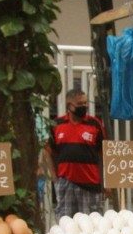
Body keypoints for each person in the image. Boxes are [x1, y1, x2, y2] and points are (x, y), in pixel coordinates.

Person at [45, 88, 106, 217]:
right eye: (79, 104)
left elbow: (103, 154)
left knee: (92, 227)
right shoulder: (56, 124)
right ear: (69, 106)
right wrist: (55, 179)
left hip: (90, 185)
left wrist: (105, 182)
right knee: (66, 225)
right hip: (66, 184)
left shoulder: (95, 124)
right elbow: (48, 153)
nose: (84, 106)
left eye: (85, 103)